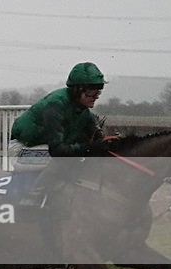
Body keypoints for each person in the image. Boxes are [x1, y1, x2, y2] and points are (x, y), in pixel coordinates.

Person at [9, 62, 107, 206]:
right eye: (91, 92)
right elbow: (58, 151)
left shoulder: (85, 113)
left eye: (98, 92)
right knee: (64, 160)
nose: (96, 97)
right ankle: (31, 198)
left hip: (44, 149)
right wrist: (88, 148)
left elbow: (99, 141)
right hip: (22, 150)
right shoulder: (55, 105)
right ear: (77, 90)